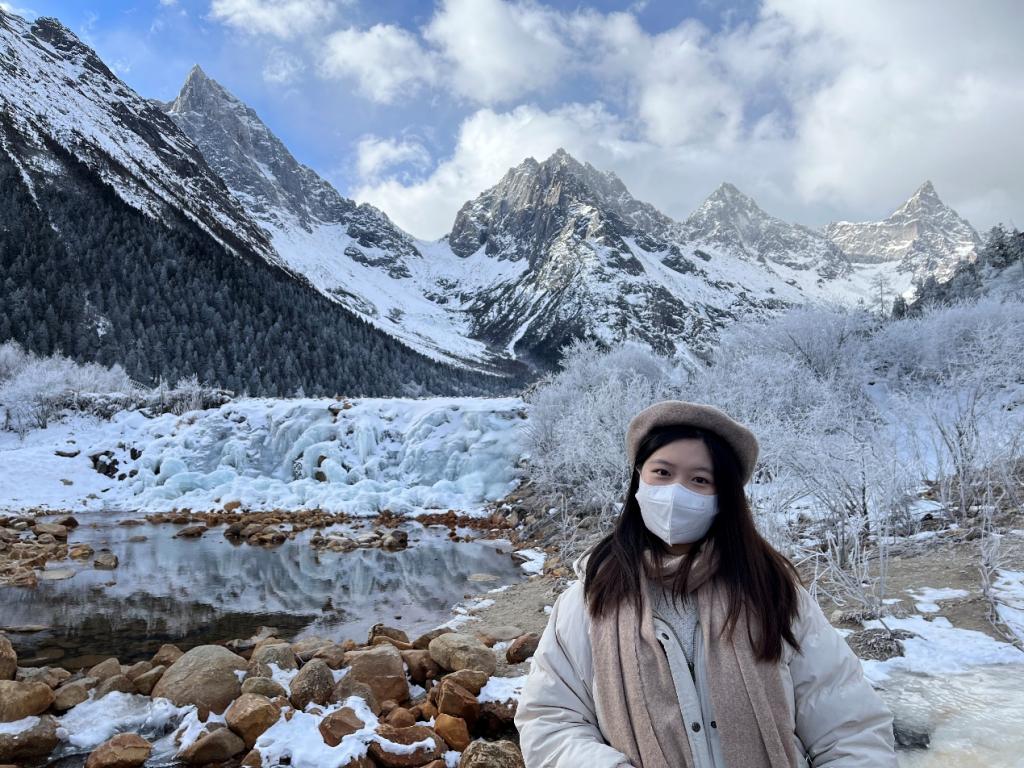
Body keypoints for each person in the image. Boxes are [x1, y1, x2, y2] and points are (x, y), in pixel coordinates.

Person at [514, 400, 897, 768]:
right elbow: (551, 722)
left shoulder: (771, 592)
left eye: (699, 480)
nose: (676, 493)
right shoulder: (589, 602)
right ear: (638, 480)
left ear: (723, 497)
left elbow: (850, 727)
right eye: (662, 473)